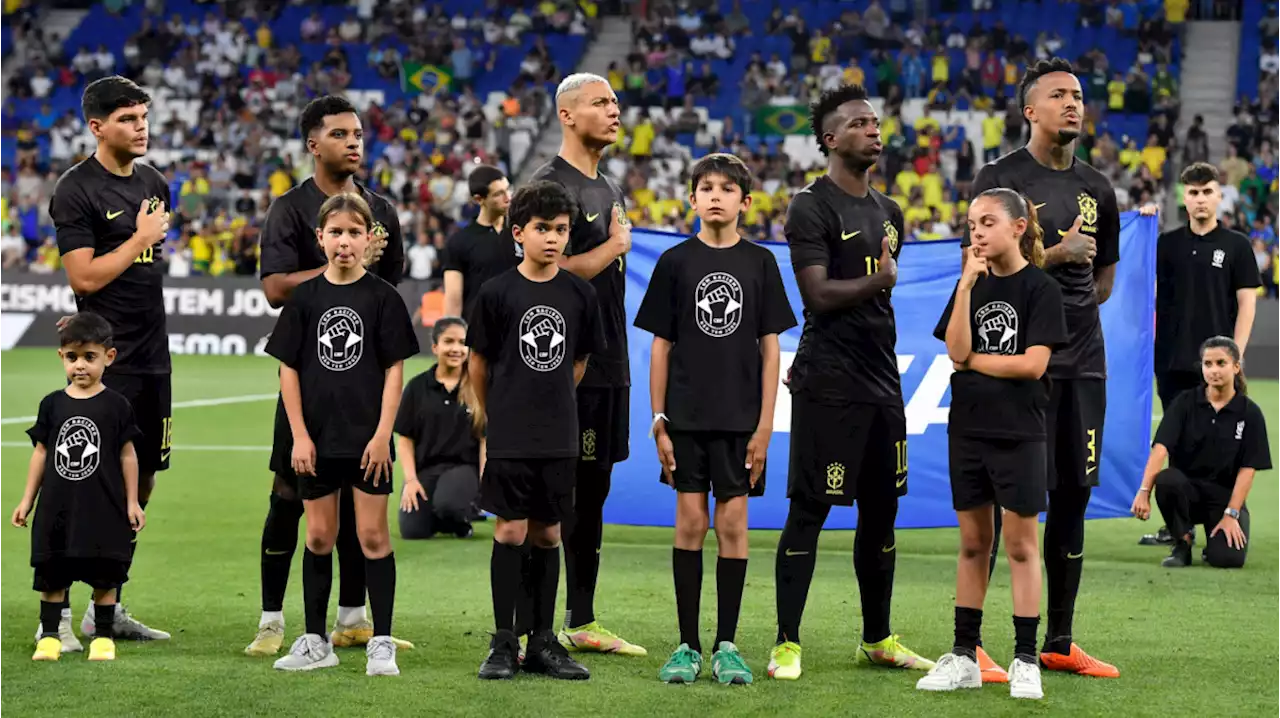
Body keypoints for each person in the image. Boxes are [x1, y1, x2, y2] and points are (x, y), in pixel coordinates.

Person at [769, 84, 932, 682]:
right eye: (860, 122)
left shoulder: (890, 211)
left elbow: (874, 293)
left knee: (882, 514)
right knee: (809, 510)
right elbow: (816, 294)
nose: (874, 129)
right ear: (831, 139)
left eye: (876, 120)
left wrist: (878, 284)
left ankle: (878, 638)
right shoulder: (809, 206)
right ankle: (787, 641)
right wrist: (879, 280)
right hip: (828, 382)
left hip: (883, 384)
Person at [964, 58, 1121, 679]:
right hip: (1016, 368)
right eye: (1058, 95)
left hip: (1082, 363)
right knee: (1007, 500)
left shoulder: (1098, 187)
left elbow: (1102, 276)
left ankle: (1059, 640)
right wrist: (1054, 255)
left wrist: (1066, 296)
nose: (1073, 104)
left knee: (1073, 497)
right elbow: (978, 264)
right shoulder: (1000, 179)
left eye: (1079, 94)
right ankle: (974, 642)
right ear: (1030, 110)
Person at [248, 95, 409, 657]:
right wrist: (338, 261)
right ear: (313, 144)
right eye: (341, 134)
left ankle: (352, 617)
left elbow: (390, 286)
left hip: (361, 384)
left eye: (359, 133)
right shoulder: (290, 209)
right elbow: (273, 290)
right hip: (309, 382)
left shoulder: (382, 210)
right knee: (288, 495)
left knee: (356, 504)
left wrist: (357, 266)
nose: (355, 143)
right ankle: (272, 620)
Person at [634, 153, 797, 685]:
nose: (716, 196)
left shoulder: (761, 263)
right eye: (706, 187)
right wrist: (658, 418)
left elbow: (771, 350)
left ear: (745, 203)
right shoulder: (675, 262)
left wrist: (766, 425)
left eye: (728, 189)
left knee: (731, 525)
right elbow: (661, 346)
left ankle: (727, 644)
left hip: (740, 422)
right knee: (689, 524)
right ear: (692, 198)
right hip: (684, 419)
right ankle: (687, 645)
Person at [917, 189, 1066, 700]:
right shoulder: (971, 284)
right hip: (968, 431)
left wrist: (975, 361)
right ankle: (964, 655)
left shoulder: (1040, 288)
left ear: (1019, 227)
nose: (975, 232)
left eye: (986, 223)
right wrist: (964, 286)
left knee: (1022, 548)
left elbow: (1032, 364)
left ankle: (1026, 659)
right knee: (974, 543)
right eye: (970, 224)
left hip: (1019, 433)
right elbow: (955, 346)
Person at [266, 193, 419, 675]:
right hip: (317, 440)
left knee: (373, 536)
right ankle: (315, 641)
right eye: (336, 233)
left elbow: (395, 371)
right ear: (320, 239)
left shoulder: (383, 298)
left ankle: (382, 642)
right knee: (318, 536)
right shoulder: (304, 298)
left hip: (365, 441)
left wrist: (382, 436)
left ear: (370, 239)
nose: (345, 242)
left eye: (355, 233)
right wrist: (299, 437)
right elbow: (288, 370)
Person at [47, 75, 171, 647]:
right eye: (127, 118)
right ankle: (59, 614)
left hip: (154, 360)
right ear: (97, 126)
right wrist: (139, 234)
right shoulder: (77, 189)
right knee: (81, 483)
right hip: (104, 362)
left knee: (138, 486)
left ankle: (108, 605)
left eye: (143, 116)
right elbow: (85, 275)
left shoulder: (154, 182)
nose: (140, 126)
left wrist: (143, 234)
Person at [526, 72, 644, 657]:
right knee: (554, 494)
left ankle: (582, 618)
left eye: (616, 103)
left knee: (593, 491)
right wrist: (610, 250)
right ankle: (531, 625)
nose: (615, 111)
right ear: (568, 115)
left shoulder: (610, 187)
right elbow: (539, 271)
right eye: (601, 103)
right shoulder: (549, 187)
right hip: (561, 366)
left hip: (609, 361)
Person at [471, 181, 604, 681]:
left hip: (558, 433)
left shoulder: (579, 293)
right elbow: (480, 364)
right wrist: (498, 413)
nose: (553, 238)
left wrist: (552, 403)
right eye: (543, 229)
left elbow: (579, 362)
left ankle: (543, 640)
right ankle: (504, 641)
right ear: (519, 232)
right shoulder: (497, 292)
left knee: (549, 533)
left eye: (562, 230)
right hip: (510, 433)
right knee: (509, 529)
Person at [14, 313, 147, 662]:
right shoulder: (52, 404)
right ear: (61, 358)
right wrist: (27, 500)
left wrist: (132, 501)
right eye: (72, 358)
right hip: (58, 506)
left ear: (109, 357)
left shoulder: (117, 406)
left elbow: (128, 456)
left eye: (90, 357)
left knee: (105, 572)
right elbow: (41, 454)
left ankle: (102, 638)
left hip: (103, 506)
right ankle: (50, 636)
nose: (80, 366)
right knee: (52, 572)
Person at [1141, 163, 1260, 547]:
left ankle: (1222, 515)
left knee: (1218, 444)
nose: (1200, 199)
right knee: (1175, 443)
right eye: (1192, 193)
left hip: (1219, 366)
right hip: (1172, 360)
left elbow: (1247, 304)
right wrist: (1144, 227)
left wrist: (1235, 353)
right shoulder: (1166, 244)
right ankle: (1178, 526)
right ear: (1183, 198)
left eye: (1207, 191)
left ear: (1219, 195)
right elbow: (1142, 285)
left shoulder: (1237, 246)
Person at [1132, 337, 1269, 569]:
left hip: (1224, 498)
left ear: (1236, 366)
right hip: (1187, 492)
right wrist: (1144, 491)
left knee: (1228, 560)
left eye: (1221, 363)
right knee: (1167, 480)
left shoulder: (1250, 413)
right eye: (1208, 364)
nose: (1214, 370)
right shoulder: (1184, 403)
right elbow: (1160, 449)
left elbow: (1248, 469)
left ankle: (1214, 546)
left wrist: (1232, 513)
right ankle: (1182, 543)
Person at [397, 316, 482, 540]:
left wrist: (486, 482)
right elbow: (405, 438)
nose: (456, 348)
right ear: (435, 347)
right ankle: (444, 517)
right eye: (449, 341)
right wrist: (411, 480)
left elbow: (485, 440)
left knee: (449, 504)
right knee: (413, 531)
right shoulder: (417, 387)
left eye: (462, 342)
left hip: (465, 469)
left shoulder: (479, 386)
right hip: (427, 470)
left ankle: (461, 518)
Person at [442, 165, 516, 318]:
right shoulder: (460, 242)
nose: (508, 197)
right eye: (498, 194)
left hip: (520, 328)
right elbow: (453, 300)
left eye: (508, 189)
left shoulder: (523, 233)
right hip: (480, 331)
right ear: (479, 199)